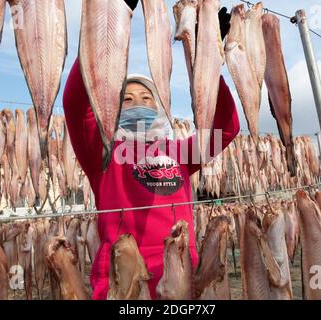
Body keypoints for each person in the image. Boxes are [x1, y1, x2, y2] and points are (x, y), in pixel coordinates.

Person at [62, 0, 238, 300]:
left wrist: (208, 55)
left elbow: (226, 127)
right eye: (127, 99)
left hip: (179, 279)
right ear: (113, 107)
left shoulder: (180, 154)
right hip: (122, 284)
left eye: (146, 97)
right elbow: (75, 104)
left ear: (158, 107)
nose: (137, 103)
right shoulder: (101, 151)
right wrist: (112, 18)